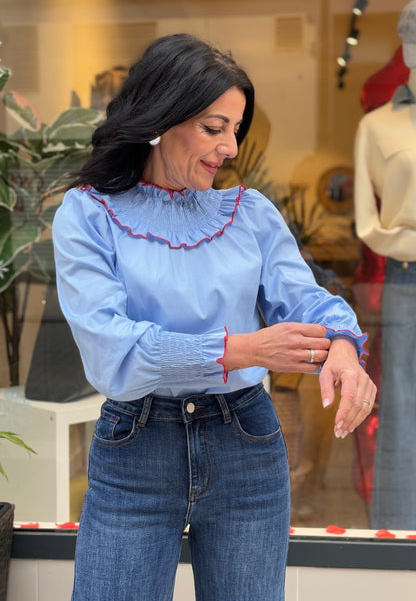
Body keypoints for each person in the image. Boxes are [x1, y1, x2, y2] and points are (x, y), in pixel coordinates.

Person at [52, 33, 375, 601]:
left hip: (245, 442)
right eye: (213, 127)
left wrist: (343, 346)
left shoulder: (248, 214)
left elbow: (307, 300)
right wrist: (246, 350)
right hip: (136, 446)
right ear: (162, 117)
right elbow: (111, 349)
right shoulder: (88, 214)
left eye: (234, 129)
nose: (229, 146)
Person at [354, 0, 416, 530]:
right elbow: (366, 220)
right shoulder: (377, 127)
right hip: (409, 279)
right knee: (403, 407)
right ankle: (400, 531)